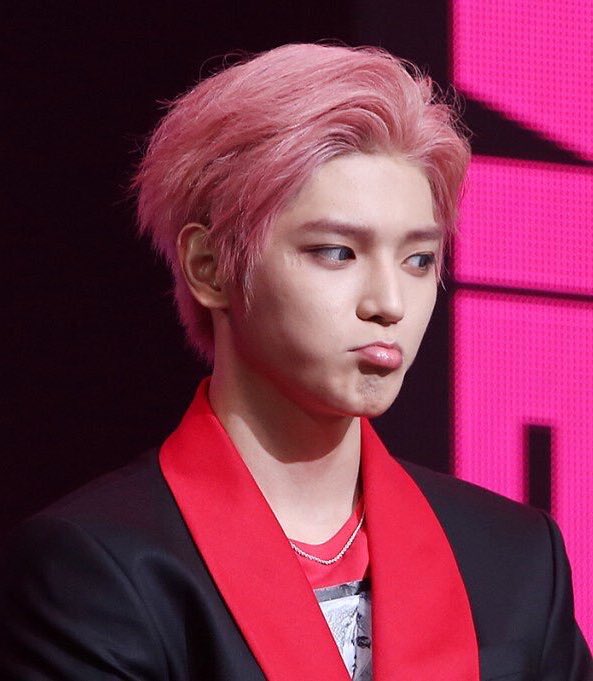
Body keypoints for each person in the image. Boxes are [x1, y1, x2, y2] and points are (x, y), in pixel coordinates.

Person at [0, 43, 591, 681]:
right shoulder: (101, 567)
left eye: (418, 260)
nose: (389, 303)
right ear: (209, 267)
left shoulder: (515, 562)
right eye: (337, 252)